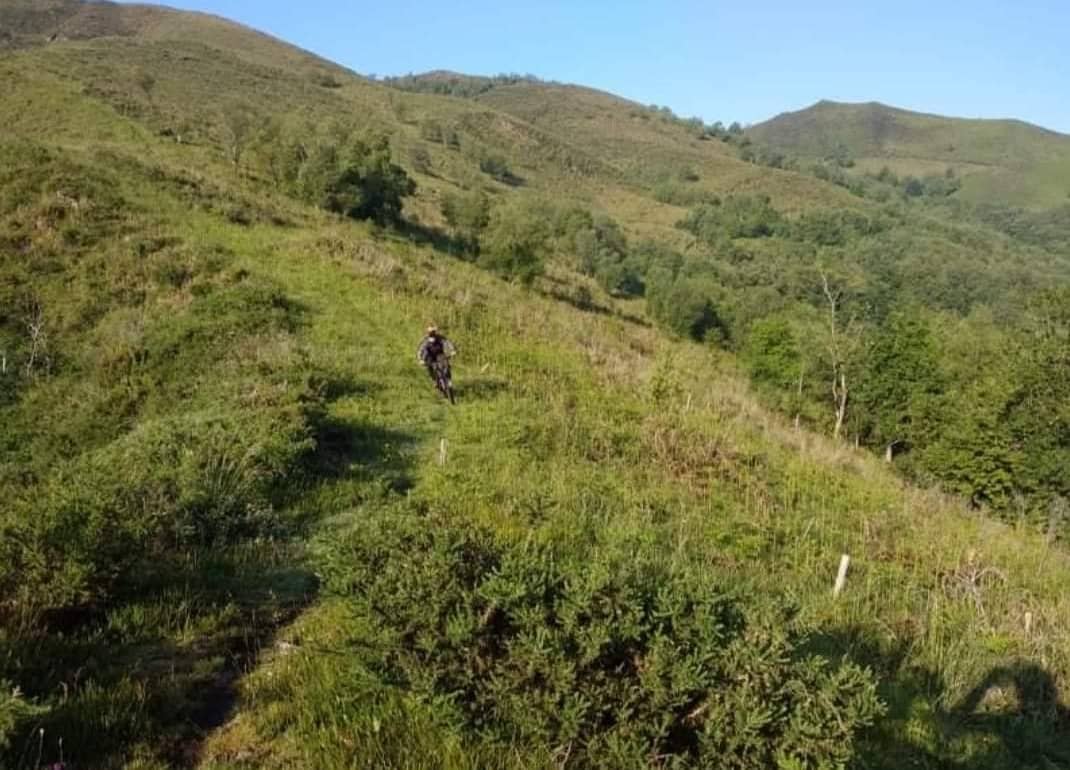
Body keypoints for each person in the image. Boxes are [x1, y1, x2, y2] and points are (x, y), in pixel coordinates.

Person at [416, 325, 457, 397]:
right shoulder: (425, 340)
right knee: (430, 367)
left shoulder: (440, 338)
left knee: (446, 364)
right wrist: (420, 359)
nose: (432, 333)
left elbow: (447, 343)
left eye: (433, 331)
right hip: (430, 356)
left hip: (439, 354)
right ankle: (435, 381)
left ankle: (449, 380)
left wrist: (452, 350)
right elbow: (420, 350)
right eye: (430, 332)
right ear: (428, 332)